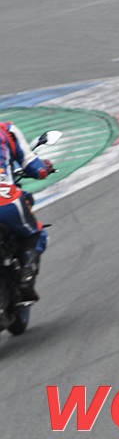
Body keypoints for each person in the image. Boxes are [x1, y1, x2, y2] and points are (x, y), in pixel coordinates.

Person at [0, 120, 54, 302]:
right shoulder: (7, 130)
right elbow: (36, 168)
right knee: (36, 233)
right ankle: (26, 276)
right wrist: (45, 167)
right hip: (5, 200)